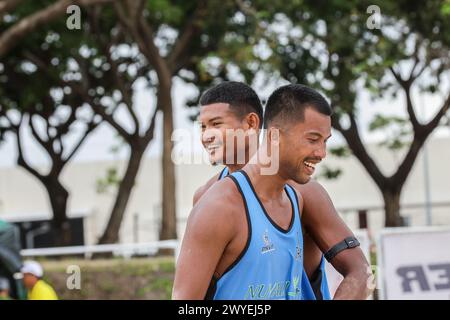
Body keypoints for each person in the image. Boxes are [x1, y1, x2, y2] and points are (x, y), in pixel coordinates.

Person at [172, 83, 372, 300]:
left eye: (216, 124)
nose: (207, 136)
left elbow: (361, 271)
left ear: (251, 123)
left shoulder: (303, 192)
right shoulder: (210, 199)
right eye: (202, 127)